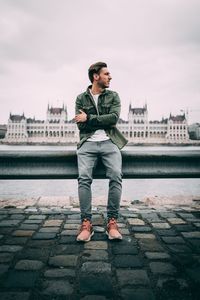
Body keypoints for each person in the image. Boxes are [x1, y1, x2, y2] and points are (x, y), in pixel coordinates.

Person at [75, 62, 128, 242]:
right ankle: (86, 223)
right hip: (87, 143)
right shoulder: (81, 98)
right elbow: (80, 124)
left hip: (109, 142)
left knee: (115, 175)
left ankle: (112, 222)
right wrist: (95, 121)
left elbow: (113, 119)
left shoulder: (114, 96)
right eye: (106, 74)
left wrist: (89, 117)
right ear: (96, 76)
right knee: (83, 179)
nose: (110, 77)